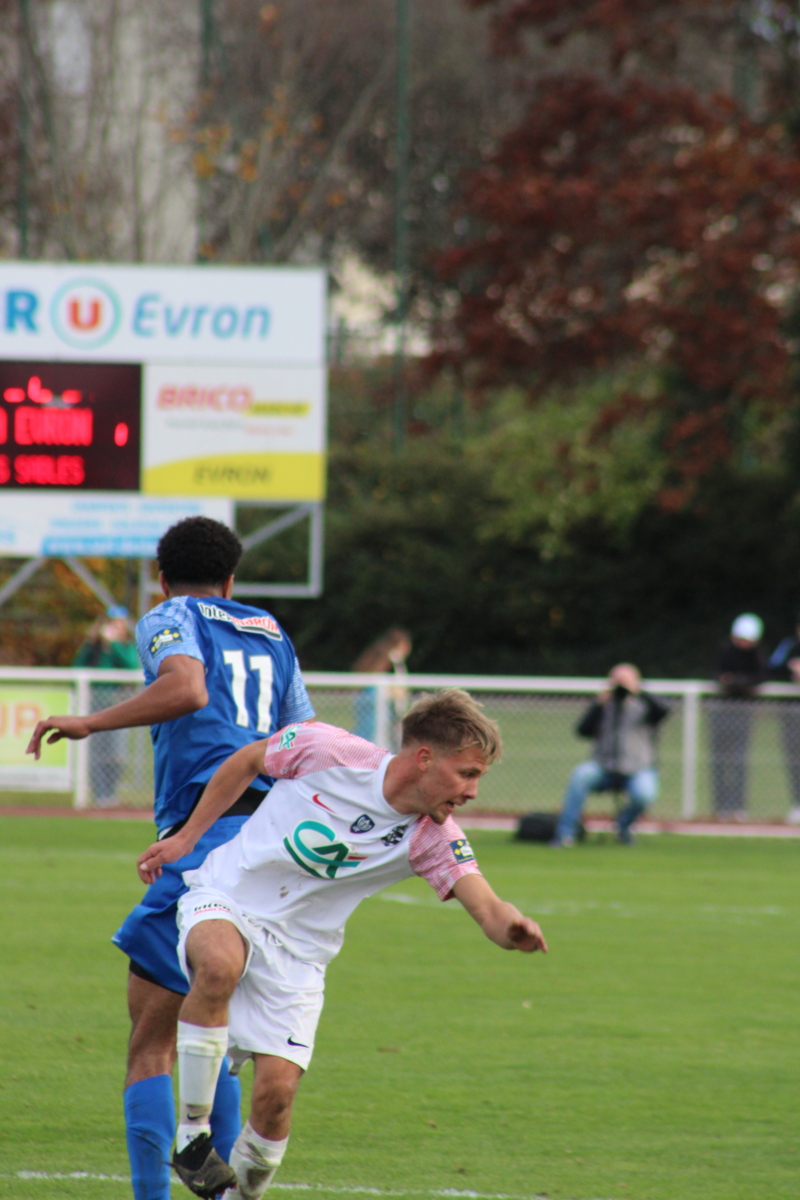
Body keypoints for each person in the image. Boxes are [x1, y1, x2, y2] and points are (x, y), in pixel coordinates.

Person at [136, 689, 548, 1200]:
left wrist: (512, 928)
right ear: (424, 758)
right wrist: (185, 838)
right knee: (218, 966)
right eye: (467, 774)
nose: (473, 791)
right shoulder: (327, 749)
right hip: (228, 894)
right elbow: (248, 759)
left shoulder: (432, 837)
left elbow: (487, 908)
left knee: (275, 1101)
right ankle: (193, 1135)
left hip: (299, 956)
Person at [26, 516, 315, 1200]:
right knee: (210, 1032)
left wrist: (90, 721)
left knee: (152, 1041)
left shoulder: (171, 616)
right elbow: (300, 737)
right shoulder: (272, 632)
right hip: (270, 845)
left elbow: (187, 689)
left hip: (207, 838)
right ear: (231, 581)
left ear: (161, 579)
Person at [552, 663, 669, 846]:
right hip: (604, 768)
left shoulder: (645, 706)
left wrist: (637, 692)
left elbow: (664, 710)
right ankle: (565, 834)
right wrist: (598, 705)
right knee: (580, 776)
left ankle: (623, 826)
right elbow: (582, 731)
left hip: (638, 768)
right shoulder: (604, 706)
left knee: (644, 794)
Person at [73, 606, 140, 806]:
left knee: (117, 753)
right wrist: (97, 644)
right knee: (95, 753)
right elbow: (77, 668)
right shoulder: (92, 647)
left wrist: (113, 645)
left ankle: (111, 792)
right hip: (94, 703)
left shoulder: (126, 646)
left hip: (118, 703)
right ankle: (100, 795)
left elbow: (131, 666)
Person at [709, 613, 765, 818]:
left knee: (740, 760)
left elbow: (760, 676)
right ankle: (720, 806)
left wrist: (740, 682)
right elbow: (715, 673)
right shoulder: (725, 649)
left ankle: (738, 806)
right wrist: (726, 680)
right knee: (719, 760)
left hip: (743, 713)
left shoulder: (757, 654)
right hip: (721, 711)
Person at [352, 627, 412, 749]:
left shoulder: (376, 656)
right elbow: (380, 686)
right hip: (374, 706)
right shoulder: (391, 660)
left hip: (370, 704)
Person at [767, 614, 800, 823]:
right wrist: (791, 668)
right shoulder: (789, 646)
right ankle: (798, 803)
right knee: (795, 759)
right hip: (791, 713)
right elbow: (770, 667)